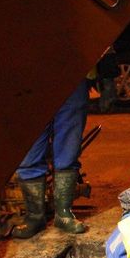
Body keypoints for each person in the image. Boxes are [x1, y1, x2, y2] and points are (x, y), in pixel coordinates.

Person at [12, 76, 93, 238]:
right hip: (29, 78)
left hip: (71, 76)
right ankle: (34, 216)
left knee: (68, 151)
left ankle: (63, 214)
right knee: (29, 155)